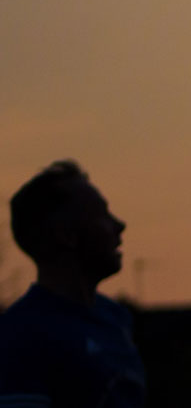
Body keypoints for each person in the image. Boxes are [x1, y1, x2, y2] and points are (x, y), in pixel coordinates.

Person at [0, 160, 146, 407]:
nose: (119, 226)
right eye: (102, 215)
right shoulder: (19, 336)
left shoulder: (117, 319)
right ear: (67, 236)